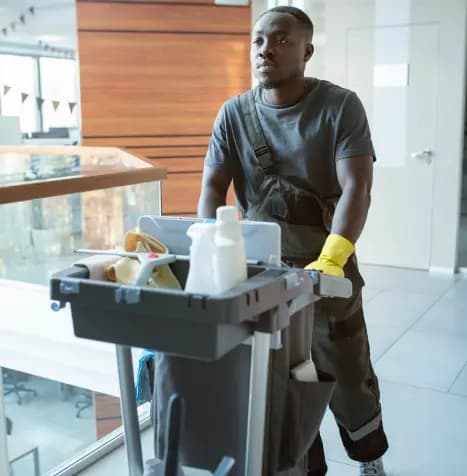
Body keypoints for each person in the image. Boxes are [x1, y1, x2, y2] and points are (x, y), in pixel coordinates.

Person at [197, 5, 389, 476]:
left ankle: (370, 460)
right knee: (279, 379)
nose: (266, 49)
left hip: (326, 267)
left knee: (346, 374)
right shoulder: (234, 114)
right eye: (259, 40)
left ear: (307, 50)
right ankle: (306, 466)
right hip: (261, 272)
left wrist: (333, 258)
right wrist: (210, 248)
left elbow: (356, 188)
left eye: (281, 40)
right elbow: (210, 189)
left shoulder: (339, 106)